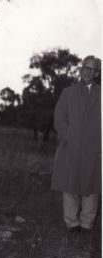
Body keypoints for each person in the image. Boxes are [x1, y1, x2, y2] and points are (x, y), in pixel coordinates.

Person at [52, 55, 101, 233]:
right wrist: (68, 137)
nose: (87, 71)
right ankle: (71, 223)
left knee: (92, 187)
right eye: (85, 68)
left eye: (92, 69)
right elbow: (59, 118)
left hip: (95, 149)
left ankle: (87, 224)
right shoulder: (68, 92)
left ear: (97, 73)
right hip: (71, 147)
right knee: (70, 185)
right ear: (80, 70)